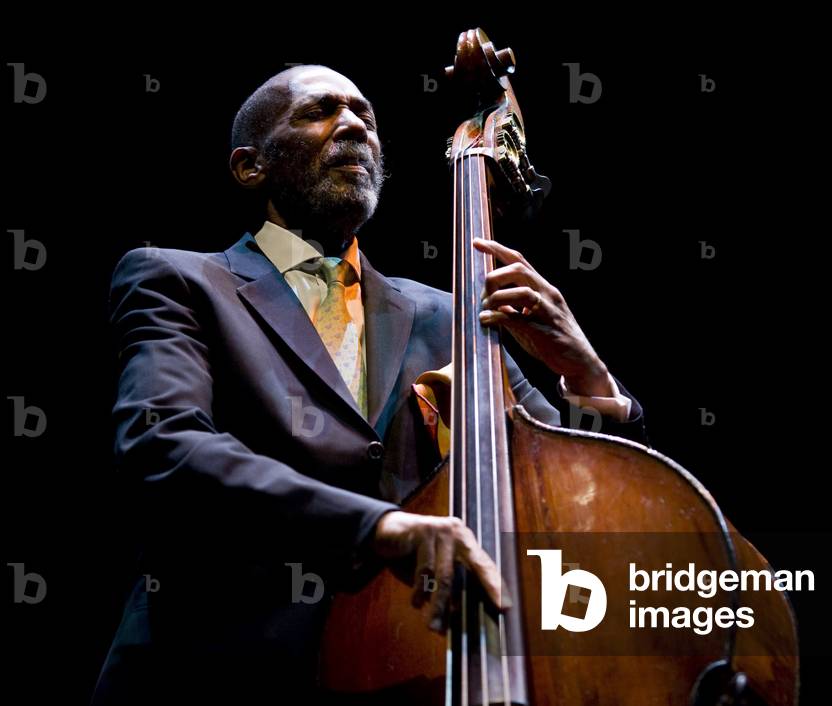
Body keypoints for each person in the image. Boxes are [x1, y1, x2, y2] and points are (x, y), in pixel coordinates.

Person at [91, 64, 647, 704]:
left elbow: (574, 496)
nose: (354, 125)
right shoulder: (178, 281)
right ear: (250, 166)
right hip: (214, 670)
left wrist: (587, 373)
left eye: (366, 116)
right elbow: (162, 445)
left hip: (399, 670)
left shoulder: (451, 316)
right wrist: (378, 527)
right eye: (319, 112)